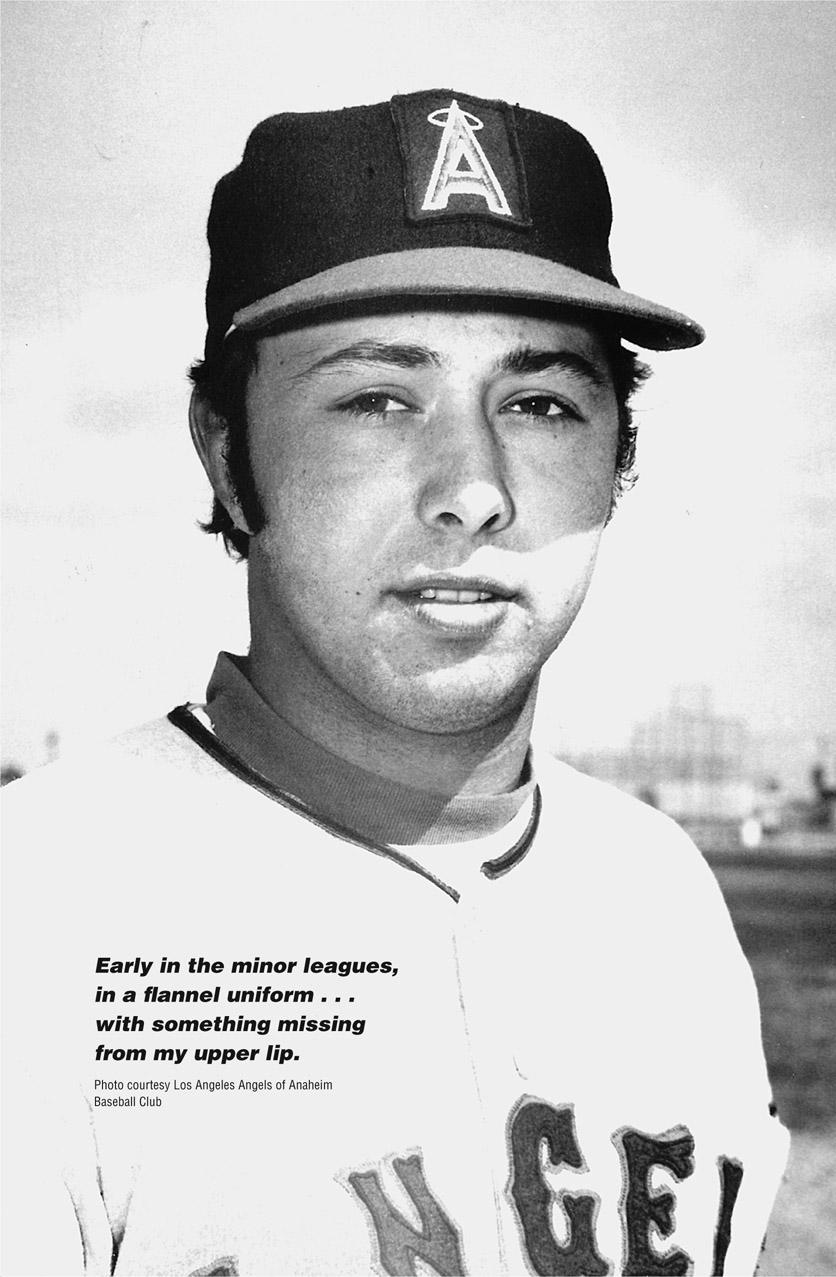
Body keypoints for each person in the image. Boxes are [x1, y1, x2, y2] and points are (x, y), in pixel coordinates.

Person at [2, 89, 787, 1277]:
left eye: (539, 402)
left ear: (619, 455)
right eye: (377, 398)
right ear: (225, 449)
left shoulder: (664, 893)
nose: (471, 489)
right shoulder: (39, 909)